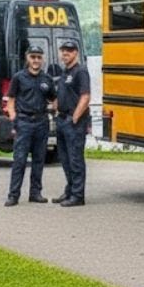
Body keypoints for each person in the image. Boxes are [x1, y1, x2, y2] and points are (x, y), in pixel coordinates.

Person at [2, 45, 56, 206]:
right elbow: (10, 100)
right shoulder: (19, 77)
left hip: (41, 122)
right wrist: (14, 120)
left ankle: (35, 193)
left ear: (43, 59)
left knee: (39, 160)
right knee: (19, 160)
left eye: (39, 57)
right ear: (27, 58)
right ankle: (13, 195)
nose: (36, 60)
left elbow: (54, 99)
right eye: (33, 57)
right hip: (24, 122)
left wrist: (57, 112)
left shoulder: (47, 79)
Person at [53, 37, 90, 206]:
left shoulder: (80, 71)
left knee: (75, 159)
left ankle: (77, 195)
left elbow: (85, 96)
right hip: (61, 119)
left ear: (76, 53)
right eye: (63, 51)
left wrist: (75, 117)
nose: (65, 53)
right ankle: (69, 191)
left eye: (69, 51)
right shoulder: (65, 72)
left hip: (73, 122)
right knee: (65, 159)